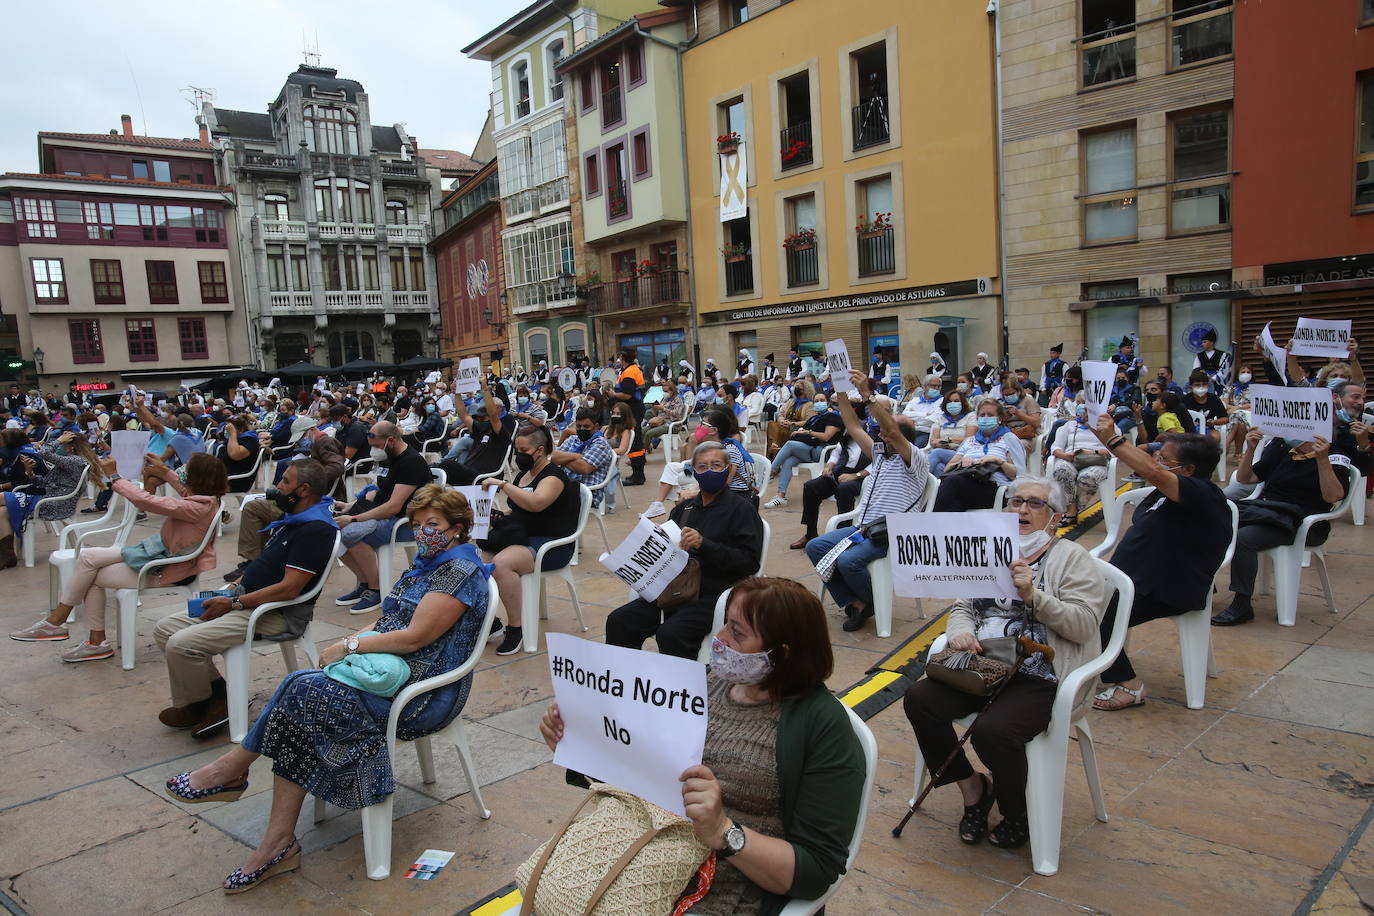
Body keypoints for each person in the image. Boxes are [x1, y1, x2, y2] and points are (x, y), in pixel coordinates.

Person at [163, 486, 491, 894]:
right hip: (388, 674)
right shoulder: (427, 563)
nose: (424, 532)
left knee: (300, 691)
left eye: (434, 525)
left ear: (458, 530)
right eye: (419, 523)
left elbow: (413, 638)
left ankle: (234, 776)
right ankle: (275, 840)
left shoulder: (458, 572)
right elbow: (390, 621)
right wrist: (353, 645)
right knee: (302, 697)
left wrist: (349, 646)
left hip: (422, 692)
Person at [544, 577, 866, 916]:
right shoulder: (699, 687)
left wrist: (724, 831)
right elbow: (637, 773)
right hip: (636, 863)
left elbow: (817, 870)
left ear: (781, 654)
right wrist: (580, 742)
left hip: (717, 895)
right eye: (726, 624)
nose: (720, 639)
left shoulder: (823, 728)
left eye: (737, 633)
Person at [904, 475, 1104, 850]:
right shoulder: (991, 548)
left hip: (1039, 674)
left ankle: (1018, 812)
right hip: (983, 666)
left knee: (992, 732)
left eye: (1035, 503)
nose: (1023, 509)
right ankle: (973, 789)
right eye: (1016, 501)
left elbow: (1083, 625)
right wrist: (961, 630)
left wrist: (1034, 596)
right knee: (920, 699)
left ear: (1055, 517)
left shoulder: (1072, 558)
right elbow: (963, 605)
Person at [10, 453, 227, 663]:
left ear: (197, 479)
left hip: (166, 569)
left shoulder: (196, 507)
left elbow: (147, 501)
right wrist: (163, 470)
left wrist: (115, 477)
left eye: (186, 471)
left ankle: (74, 630)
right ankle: (71, 629)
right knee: (87, 559)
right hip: (155, 555)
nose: (181, 474)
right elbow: (180, 486)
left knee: (90, 573)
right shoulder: (207, 500)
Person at [1089, 419, 1230, 709]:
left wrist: (1113, 441)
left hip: (1166, 588)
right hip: (1136, 579)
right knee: (1074, 601)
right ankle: (1094, 659)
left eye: (1165, 459)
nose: (1156, 461)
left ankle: (1129, 685)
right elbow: (1152, 470)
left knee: (1091, 621)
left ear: (1188, 470)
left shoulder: (1201, 495)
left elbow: (1151, 472)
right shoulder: (1167, 492)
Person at [1212, 395, 1372, 626]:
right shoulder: (1283, 448)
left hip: (1303, 521)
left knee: (1244, 538)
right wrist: (1250, 449)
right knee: (1209, 518)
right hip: (1267, 512)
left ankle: (1242, 603)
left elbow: (1333, 496)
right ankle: (1204, 584)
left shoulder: (1335, 452)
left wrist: (1321, 459)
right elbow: (1248, 479)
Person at [605, 442, 764, 658]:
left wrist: (704, 544)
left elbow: (749, 562)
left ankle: (681, 689)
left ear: (727, 469)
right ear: (694, 472)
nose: (710, 471)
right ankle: (625, 680)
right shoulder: (685, 508)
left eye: (716, 465)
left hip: (711, 594)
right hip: (673, 589)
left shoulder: (741, 509)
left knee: (671, 633)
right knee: (620, 621)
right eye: (702, 467)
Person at [805, 370, 926, 633]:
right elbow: (853, 426)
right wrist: (839, 390)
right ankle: (858, 602)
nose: (881, 436)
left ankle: (872, 599)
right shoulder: (881, 454)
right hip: (863, 528)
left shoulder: (914, 459)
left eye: (885, 433)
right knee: (816, 547)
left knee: (849, 561)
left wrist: (868, 396)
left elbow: (892, 429)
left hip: (891, 534)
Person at [479, 425, 581, 655]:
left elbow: (536, 503)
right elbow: (519, 511)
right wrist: (499, 516)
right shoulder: (523, 474)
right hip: (524, 537)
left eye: (524, 449)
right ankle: (490, 621)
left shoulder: (554, 476)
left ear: (540, 450)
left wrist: (503, 485)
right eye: (516, 449)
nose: (519, 455)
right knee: (480, 556)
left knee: (502, 563)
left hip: (552, 544)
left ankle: (516, 628)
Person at [332, 421, 434, 615]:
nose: (373, 450)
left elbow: (393, 506)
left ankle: (377, 589)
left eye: (376, 445)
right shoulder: (389, 457)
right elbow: (378, 492)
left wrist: (354, 519)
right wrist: (350, 506)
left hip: (407, 522)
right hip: (388, 516)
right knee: (334, 530)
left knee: (352, 532)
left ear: (391, 440)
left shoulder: (410, 462)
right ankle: (365, 582)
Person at [227, 437, 346, 583]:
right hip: (300, 500)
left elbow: (337, 465)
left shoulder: (324, 444)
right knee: (257, 504)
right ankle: (257, 560)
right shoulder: (317, 448)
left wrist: (311, 475)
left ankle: (253, 560)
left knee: (253, 508)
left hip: (304, 505)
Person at [0, 430, 100, 567]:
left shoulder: (75, 461)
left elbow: (43, 453)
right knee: (2, 512)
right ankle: (7, 556)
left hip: (53, 504)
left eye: (63, 444)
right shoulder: (71, 461)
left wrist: (59, 440)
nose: (60, 447)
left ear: (70, 446)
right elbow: (44, 484)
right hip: (48, 500)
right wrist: (30, 472)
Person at [933, 400, 1025, 512]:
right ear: (977, 418)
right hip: (967, 484)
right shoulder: (970, 441)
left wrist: (998, 461)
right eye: (982, 415)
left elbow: (1018, 475)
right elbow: (947, 469)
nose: (985, 418)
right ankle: (928, 523)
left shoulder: (1008, 438)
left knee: (953, 482)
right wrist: (961, 463)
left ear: (1000, 418)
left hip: (996, 489)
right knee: (953, 505)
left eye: (990, 415)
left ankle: (922, 520)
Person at [791, 429, 871, 549]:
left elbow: (876, 464)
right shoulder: (847, 437)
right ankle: (810, 533)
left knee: (844, 489)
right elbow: (836, 454)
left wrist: (855, 476)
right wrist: (829, 466)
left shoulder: (872, 440)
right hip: (840, 472)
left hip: (859, 477)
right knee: (811, 487)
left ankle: (842, 536)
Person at [763, 394, 843, 509]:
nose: (819, 402)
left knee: (790, 445)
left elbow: (826, 437)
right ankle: (780, 496)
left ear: (828, 402)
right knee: (789, 461)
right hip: (809, 449)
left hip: (823, 451)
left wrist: (807, 432)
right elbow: (805, 433)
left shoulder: (833, 417)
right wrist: (802, 432)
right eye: (816, 401)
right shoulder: (815, 418)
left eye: (822, 400)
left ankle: (770, 471)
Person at [1047, 396, 1112, 525]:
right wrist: (1065, 455)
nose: (1083, 409)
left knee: (1087, 477)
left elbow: (1113, 451)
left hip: (1096, 461)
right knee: (1062, 470)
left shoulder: (1108, 426)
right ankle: (1070, 510)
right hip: (1071, 458)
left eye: (1086, 406)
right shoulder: (1069, 425)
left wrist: (1091, 452)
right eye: (1080, 404)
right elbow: (1056, 447)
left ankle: (1075, 509)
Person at [438, 376, 513, 486]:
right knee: (438, 474)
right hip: (470, 473)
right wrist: (457, 393)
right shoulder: (479, 430)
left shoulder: (500, 433)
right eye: (477, 418)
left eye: (482, 418)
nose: (478, 420)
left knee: (447, 465)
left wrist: (485, 389)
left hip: (485, 477)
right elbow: (463, 414)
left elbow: (493, 414)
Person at [549, 408, 615, 507]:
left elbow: (584, 468)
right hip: (563, 486)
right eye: (579, 426)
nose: (582, 429)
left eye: (586, 426)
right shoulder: (573, 439)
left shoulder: (601, 444)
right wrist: (576, 456)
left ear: (596, 426)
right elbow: (552, 457)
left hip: (585, 492)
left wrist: (562, 459)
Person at [925, 388, 977, 477]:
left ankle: (918, 482)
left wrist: (948, 440)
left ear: (962, 403)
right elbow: (933, 440)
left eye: (956, 401)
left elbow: (969, 439)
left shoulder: (970, 417)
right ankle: (939, 489)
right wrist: (937, 443)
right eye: (950, 401)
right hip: (942, 450)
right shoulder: (940, 418)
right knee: (939, 467)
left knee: (936, 453)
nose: (953, 404)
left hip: (960, 453)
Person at [901, 374, 946, 448]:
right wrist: (925, 414)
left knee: (912, 449)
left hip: (926, 433)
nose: (937, 388)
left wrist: (913, 419)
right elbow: (904, 415)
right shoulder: (915, 400)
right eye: (933, 386)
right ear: (924, 387)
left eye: (939, 386)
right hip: (909, 432)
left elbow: (934, 420)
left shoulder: (943, 401)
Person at [1185, 369, 1229, 442]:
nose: (1201, 387)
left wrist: (1214, 422)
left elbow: (1225, 418)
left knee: (1216, 437)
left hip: (1208, 429)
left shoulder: (1214, 399)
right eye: (1197, 385)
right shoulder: (1185, 399)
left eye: (1204, 384)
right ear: (1191, 387)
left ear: (1208, 386)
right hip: (1188, 430)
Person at [1193, 328, 1230, 396]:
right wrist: (1206, 377)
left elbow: (1224, 369)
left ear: (1211, 342)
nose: (1202, 344)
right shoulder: (1199, 355)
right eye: (1202, 342)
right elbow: (1196, 369)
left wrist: (1214, 378)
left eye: (1204, 342)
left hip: (1218, 382)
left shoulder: (1222, 354)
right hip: (1203, 382)